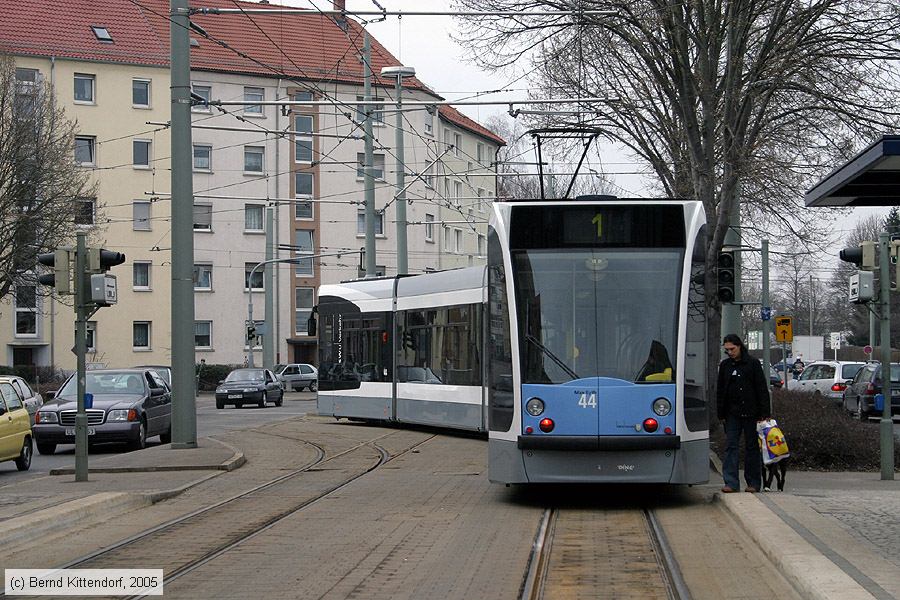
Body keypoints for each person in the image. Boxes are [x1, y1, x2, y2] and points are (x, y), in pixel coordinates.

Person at [717, 333, 770, 493]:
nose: (730, 352)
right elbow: (720, 390)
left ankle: (753, 482)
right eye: (727, 350)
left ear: (739, 346)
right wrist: (721, 413)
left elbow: (761, 388)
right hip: (732, 413)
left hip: (751, 413)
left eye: (732, 349)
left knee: (752, 447)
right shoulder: (726, 366)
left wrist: (764, 412)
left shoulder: (752, 364)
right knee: (731, 446)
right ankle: (731, 482)